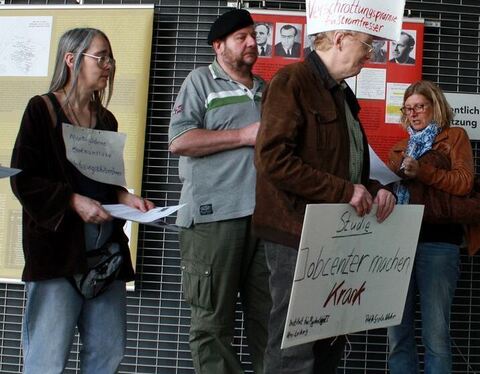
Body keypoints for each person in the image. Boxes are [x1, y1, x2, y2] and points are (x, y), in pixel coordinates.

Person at [10, 27, 154, 373]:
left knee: (107, 353)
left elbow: (108, 183)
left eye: (110, 58)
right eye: (100, 56)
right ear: (71, 60)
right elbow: (23, 179)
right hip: (58, 254)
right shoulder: (41, 110)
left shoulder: (106, 119)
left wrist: (126, 198)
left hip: (105, 255)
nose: (108, 65)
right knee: (47, 354)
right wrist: (72, 201)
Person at [254, 29, 397, 373]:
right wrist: (344, 192)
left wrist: (374, 188)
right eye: (367, 46)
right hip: (296, 235)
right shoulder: (292, 81)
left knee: (329, 339)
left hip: (335, 238)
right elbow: (272, 160)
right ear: (340, 39)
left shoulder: (342, 93)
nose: (371, 56)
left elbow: (344, 167)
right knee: (295, 348)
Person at [168, 9, 271, 373]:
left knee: (270, 322)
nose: (252, 43)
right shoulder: (200, 82)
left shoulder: (265, 90)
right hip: (213, 219)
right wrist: (244, 135)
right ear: (218, 45)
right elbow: (179, 140)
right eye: (241, 37)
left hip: (263, 220)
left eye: (254, 36)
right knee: (212, 325)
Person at [385, 80, 480, 374]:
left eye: (420, 106)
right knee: (397, 334)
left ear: (435, 107)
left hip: (438, 243)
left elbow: (463, 182)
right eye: (408, 109)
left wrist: (423, 171)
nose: (414, 113)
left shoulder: (454, 137)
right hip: (397, 243)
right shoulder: (399, 148)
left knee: (436, 336)